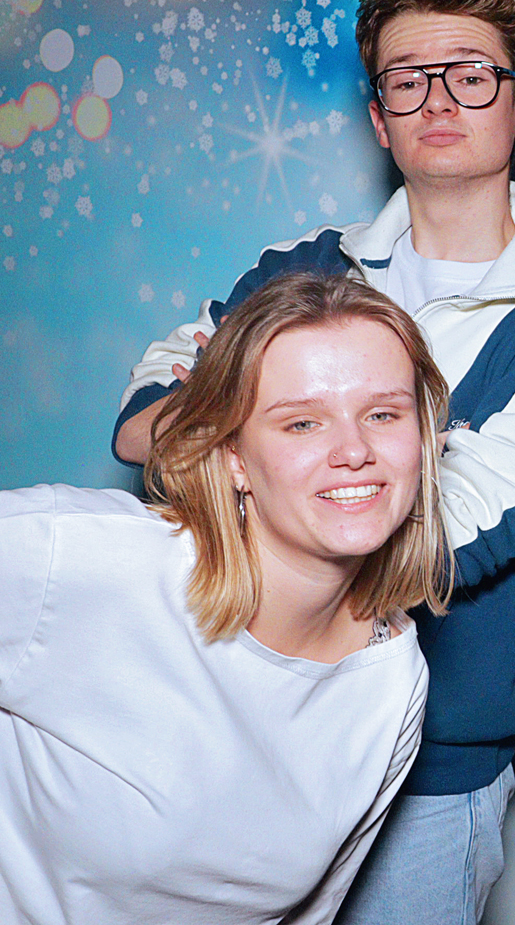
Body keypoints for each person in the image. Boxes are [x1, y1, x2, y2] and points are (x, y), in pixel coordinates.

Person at [110, 0, 515, 923]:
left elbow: (466, 524)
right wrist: (270, 445)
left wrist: (269, 449)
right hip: (246, 724)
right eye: (408, 79)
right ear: (379, 118)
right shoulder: (304, 267)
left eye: (470, 75)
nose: (438, 100)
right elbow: (150, 415)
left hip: (429, 763)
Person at [1, 272, 443, 924]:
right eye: (302, 422)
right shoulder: (78, 558)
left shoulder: (392, 678)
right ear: (234, 454)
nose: (354, 450)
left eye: (382, 414)